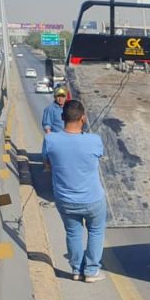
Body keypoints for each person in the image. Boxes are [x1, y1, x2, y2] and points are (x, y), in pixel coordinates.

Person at [43, 99, 107, 282]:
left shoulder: (50, 140)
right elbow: (99, 156)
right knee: (96, 231)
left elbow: (47, 164)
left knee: (73, 233)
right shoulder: (94, 140)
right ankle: (92, 271)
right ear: (83, 118)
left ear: (63, 118)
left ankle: (76, 270)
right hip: (93, 199)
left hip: (65, 200)